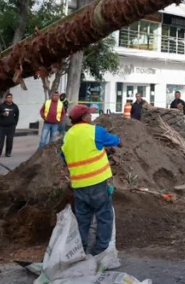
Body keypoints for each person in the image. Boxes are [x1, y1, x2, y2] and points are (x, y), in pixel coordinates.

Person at [61, 104, 121, 256]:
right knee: (104, 216)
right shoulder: (95, 131)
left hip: (79, 185)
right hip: (97, 183)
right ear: (84, 118)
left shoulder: (67, 136)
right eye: (89, 114)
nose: (91, 117)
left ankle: (80, 249)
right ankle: (100, 251)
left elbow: (64, 156)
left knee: (83, 219)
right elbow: (114, 140)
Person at [0, 93, 19, 157]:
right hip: (2, 127)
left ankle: (8, 153)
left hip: (11, 127)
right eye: (8, 98)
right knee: (0, 140)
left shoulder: (15, 106)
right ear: (6, 98)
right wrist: (2, 114)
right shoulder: (2, 106)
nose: (9, 99)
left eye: (10, 98)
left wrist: (15, 124)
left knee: (10, 140)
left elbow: (17, 116)